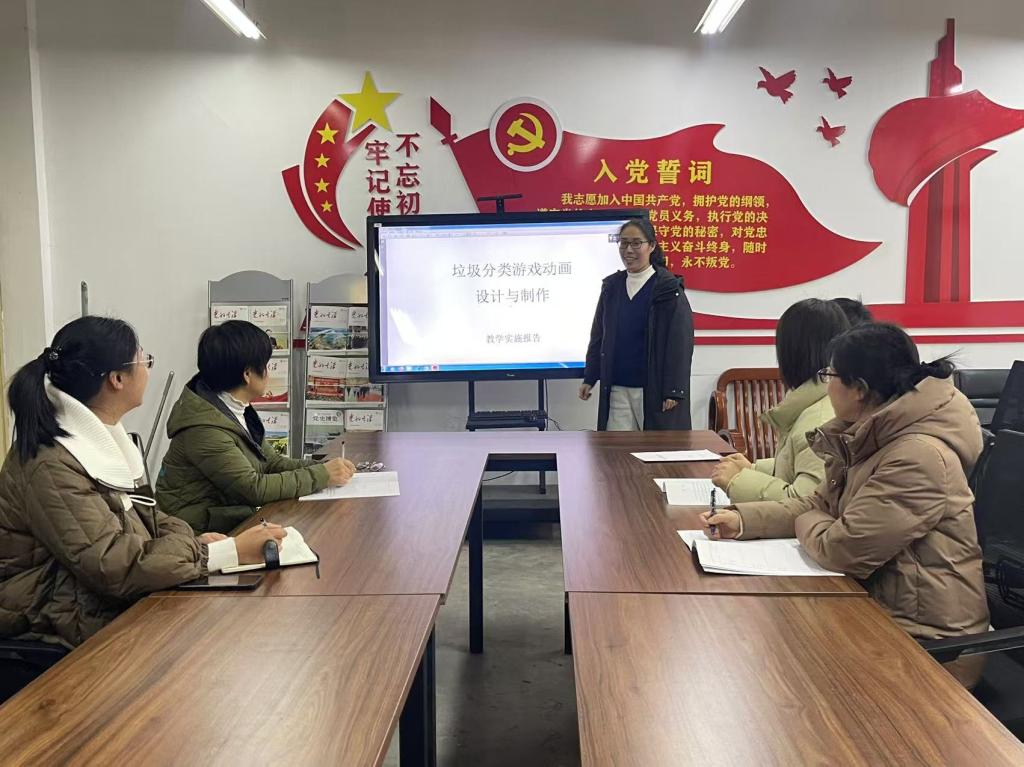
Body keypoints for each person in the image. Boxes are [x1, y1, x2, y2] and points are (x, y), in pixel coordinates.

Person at [702, 323, 988, 685]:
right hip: (877, 611)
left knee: (770, 669)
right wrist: (743, 520)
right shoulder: (871, 434)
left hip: (929, 647)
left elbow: (842, 549)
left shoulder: (917, 456)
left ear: (859, 390)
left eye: (830, 375)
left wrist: (812, 520)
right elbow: (817, 503)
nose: (826, 385)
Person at [0, 317, 287, 648]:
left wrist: (197, 545)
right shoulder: (51, 464)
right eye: (144, 360)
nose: (148, 369)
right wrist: (220, 553)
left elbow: (148, 518)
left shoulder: (101, 437)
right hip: (51, 616)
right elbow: (113, 565)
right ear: (117, 379)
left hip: (91, 596)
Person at [157, 321, 355, 534]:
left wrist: (325, 467)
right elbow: (254, 488)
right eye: (266, 365)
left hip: (224, 517)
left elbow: (272, 463)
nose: (268, 373)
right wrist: (322, 475)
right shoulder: (204, 429)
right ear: (248, 374)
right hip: (196, 535)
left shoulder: (232, 409)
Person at [712, 298, 849, 502]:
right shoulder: (817, 402)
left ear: (790, 353)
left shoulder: (819, 422)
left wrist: (736, 481)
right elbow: (797, 465)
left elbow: (805, 502)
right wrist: (753, 469)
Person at [580, 218, 694, 430]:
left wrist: (674, 390)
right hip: (617, 389)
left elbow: (680, 342)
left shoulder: (668, 288)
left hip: (653, 390)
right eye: (623, 243)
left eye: (636, 243)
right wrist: (590, 377)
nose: (628, 250)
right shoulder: (612, 287)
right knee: (617, 448)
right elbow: (598, 335)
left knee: (654, 448)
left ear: (651, 246)